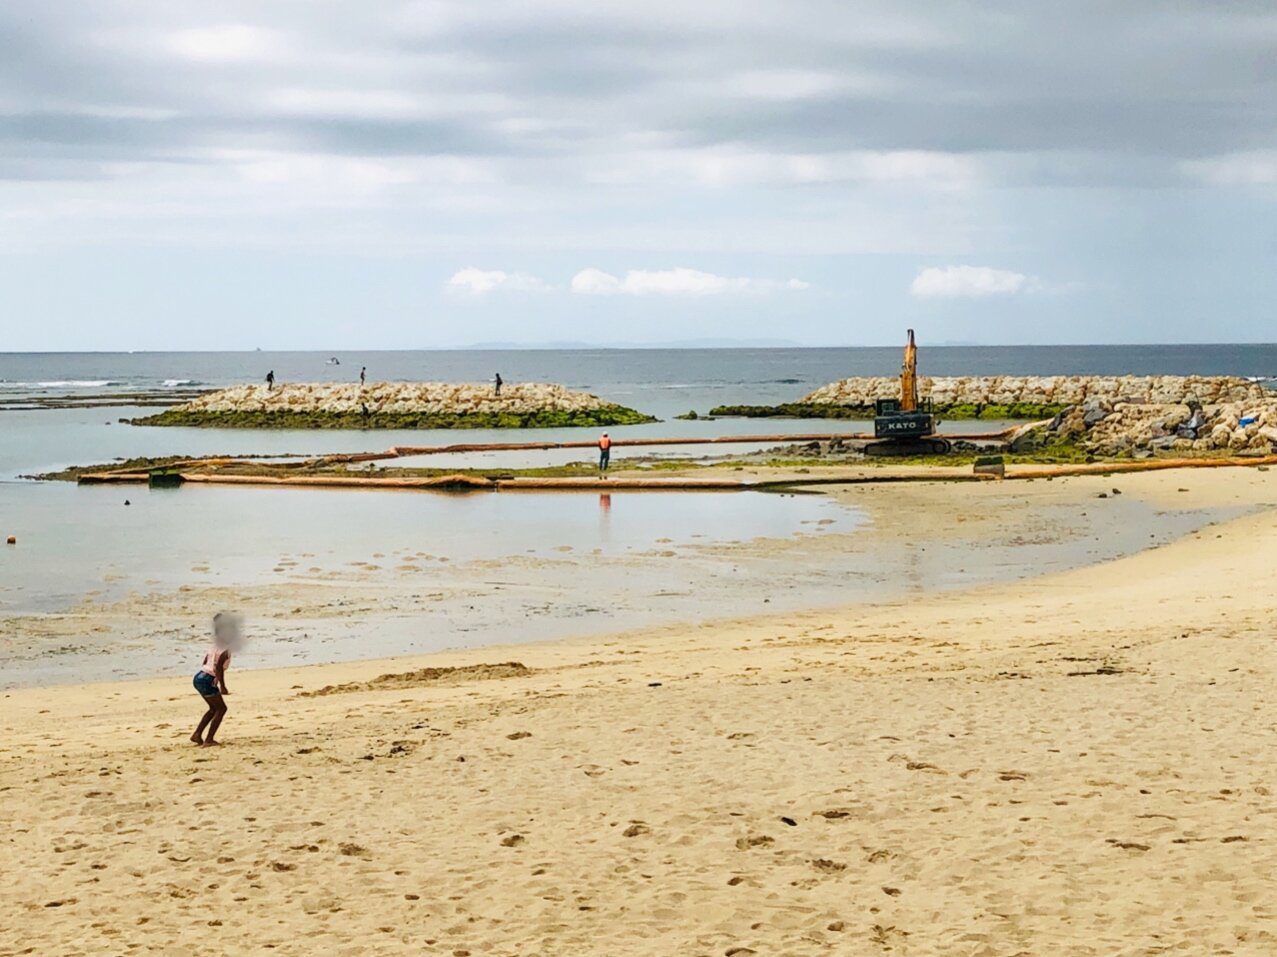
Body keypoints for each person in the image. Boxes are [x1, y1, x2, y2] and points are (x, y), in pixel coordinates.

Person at [191, 613, 237, 747]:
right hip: (207, 679)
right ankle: (209, 739)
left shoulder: (215, 645)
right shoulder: (225, 650)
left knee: (213, 708)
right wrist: (223, 686)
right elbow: (218, 668)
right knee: (221, 709)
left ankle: (197, 734)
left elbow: (205, 660)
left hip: (199, 676)